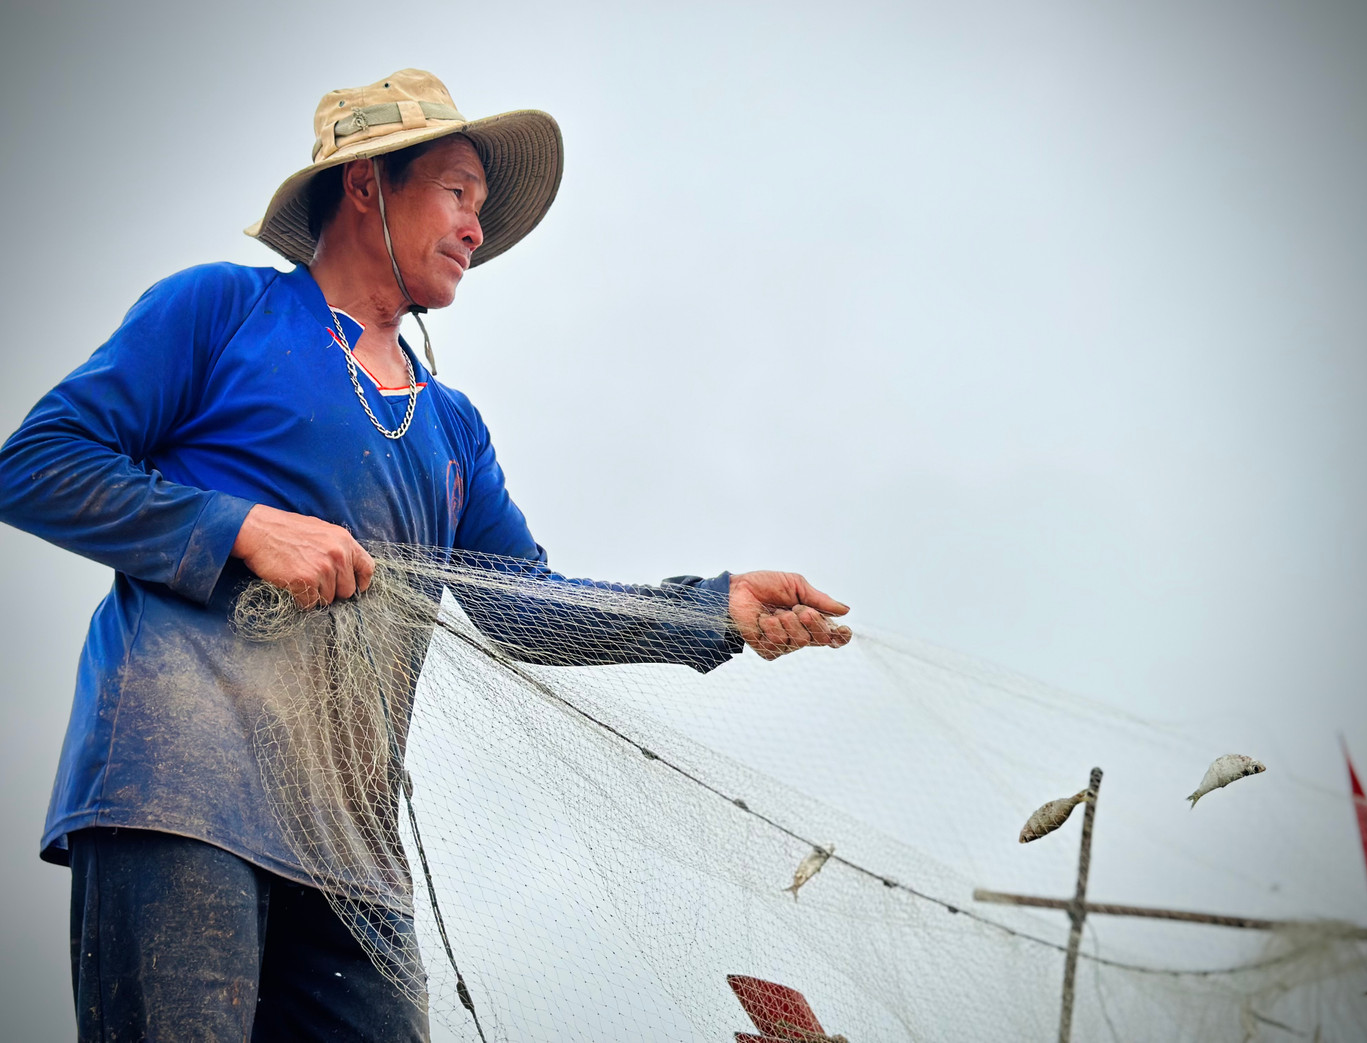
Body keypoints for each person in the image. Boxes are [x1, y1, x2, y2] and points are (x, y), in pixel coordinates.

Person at [0, 68, 851, 1042]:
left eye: (480, 207)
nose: (474, 228)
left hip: (350, 854)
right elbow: (35, 464)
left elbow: (521, 606)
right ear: (366, 186)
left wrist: (715, 608)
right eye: (456, 192)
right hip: (178, 791)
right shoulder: (220, 313)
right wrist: (243, 527)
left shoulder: (453, 430)